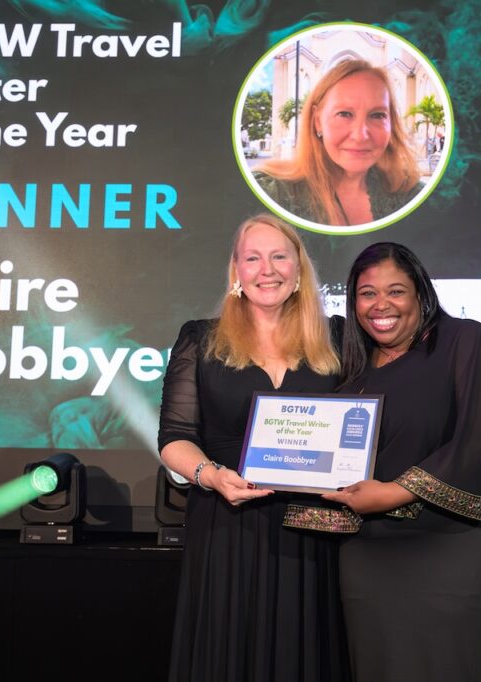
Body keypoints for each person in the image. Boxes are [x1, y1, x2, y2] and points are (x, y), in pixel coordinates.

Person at [322, 243, 481, 682]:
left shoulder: (465, 341)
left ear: (420, 294)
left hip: (451, 549)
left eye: (396, 291)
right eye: (367, 293)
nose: (381, 305)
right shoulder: (350, 366)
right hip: (368, 557)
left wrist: (393, 493)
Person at [157, 214, 348, 682]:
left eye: (279, 256)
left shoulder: (340, 338)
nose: (268, 269)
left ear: (299, 269)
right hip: (229, 521)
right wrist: (211, 476)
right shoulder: (201, 339)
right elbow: (175, 436)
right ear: (236, 271)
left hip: (315, 527)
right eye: (253, 258)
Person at [254, 59, 422, 227]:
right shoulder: (269, 193)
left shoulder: (414, 196)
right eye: (344, 114)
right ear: (318, 121)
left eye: (377, 115)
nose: (360, 136)